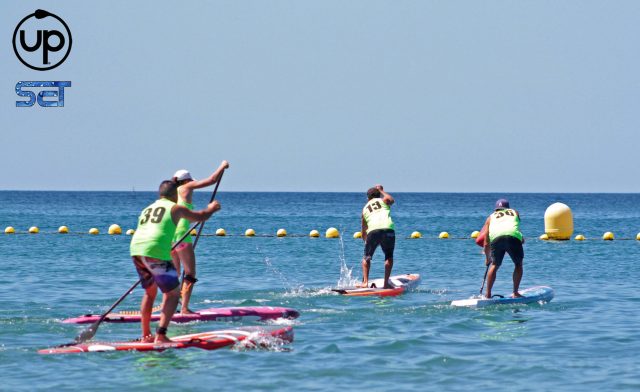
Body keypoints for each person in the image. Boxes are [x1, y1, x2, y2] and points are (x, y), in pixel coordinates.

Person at [130, 180, 220, 343]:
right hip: (155, 250)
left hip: (136, 250)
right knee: (172, 294)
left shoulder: (147, 209)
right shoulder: (175, 207)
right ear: (174, 195)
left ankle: (146, 335)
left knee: (150, 293)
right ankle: (161, 335)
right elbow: (201, 217)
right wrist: (211, 209)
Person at [170, 160, 229, 314]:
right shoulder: (186, 187)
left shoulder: (170, 193)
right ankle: (184, 309)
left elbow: (181, 215)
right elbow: (211, 180)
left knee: (174, 274)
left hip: (170, 235)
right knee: (190, 273)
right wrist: (222, 166)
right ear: (187, 181)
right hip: (183, 235)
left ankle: (171, 307)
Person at [481, 198, 524, 299]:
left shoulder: (490, 217)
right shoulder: (515, 212)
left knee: (494, 265)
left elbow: (486, 242)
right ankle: (515, 293)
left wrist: (487, 258)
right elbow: (515, 227)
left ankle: (488, 294)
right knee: (518, 265)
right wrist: (520, 238)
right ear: (508, 208)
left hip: (496, 238)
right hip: (513, 237)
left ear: (496, 209)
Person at [359, 185, 396, 289]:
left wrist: (365, 239)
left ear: (368, 198)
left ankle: (365, 282)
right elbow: (392, 200)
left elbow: (363, 227)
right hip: (388, 229)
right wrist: (382, 190)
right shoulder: (383, 200)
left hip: (373, 231)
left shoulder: (365, 208)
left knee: (366, 257)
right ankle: (386, 284)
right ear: (378, 194)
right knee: (389, 257)